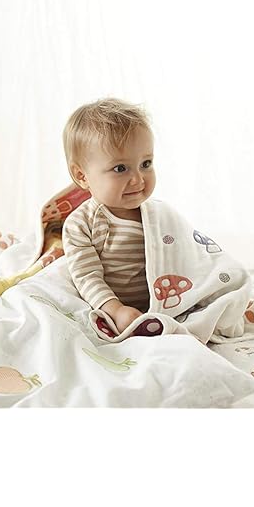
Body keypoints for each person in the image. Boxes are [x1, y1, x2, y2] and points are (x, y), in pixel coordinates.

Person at [62, 97, 156, 334]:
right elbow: (87, 276)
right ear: (82, 176)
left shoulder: (158, 216)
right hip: (113, 306)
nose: (138, 179)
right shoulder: (82, 224)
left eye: (146, 163)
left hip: (163, 301)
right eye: (120, 168)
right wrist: (115, 310)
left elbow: (186, 254)